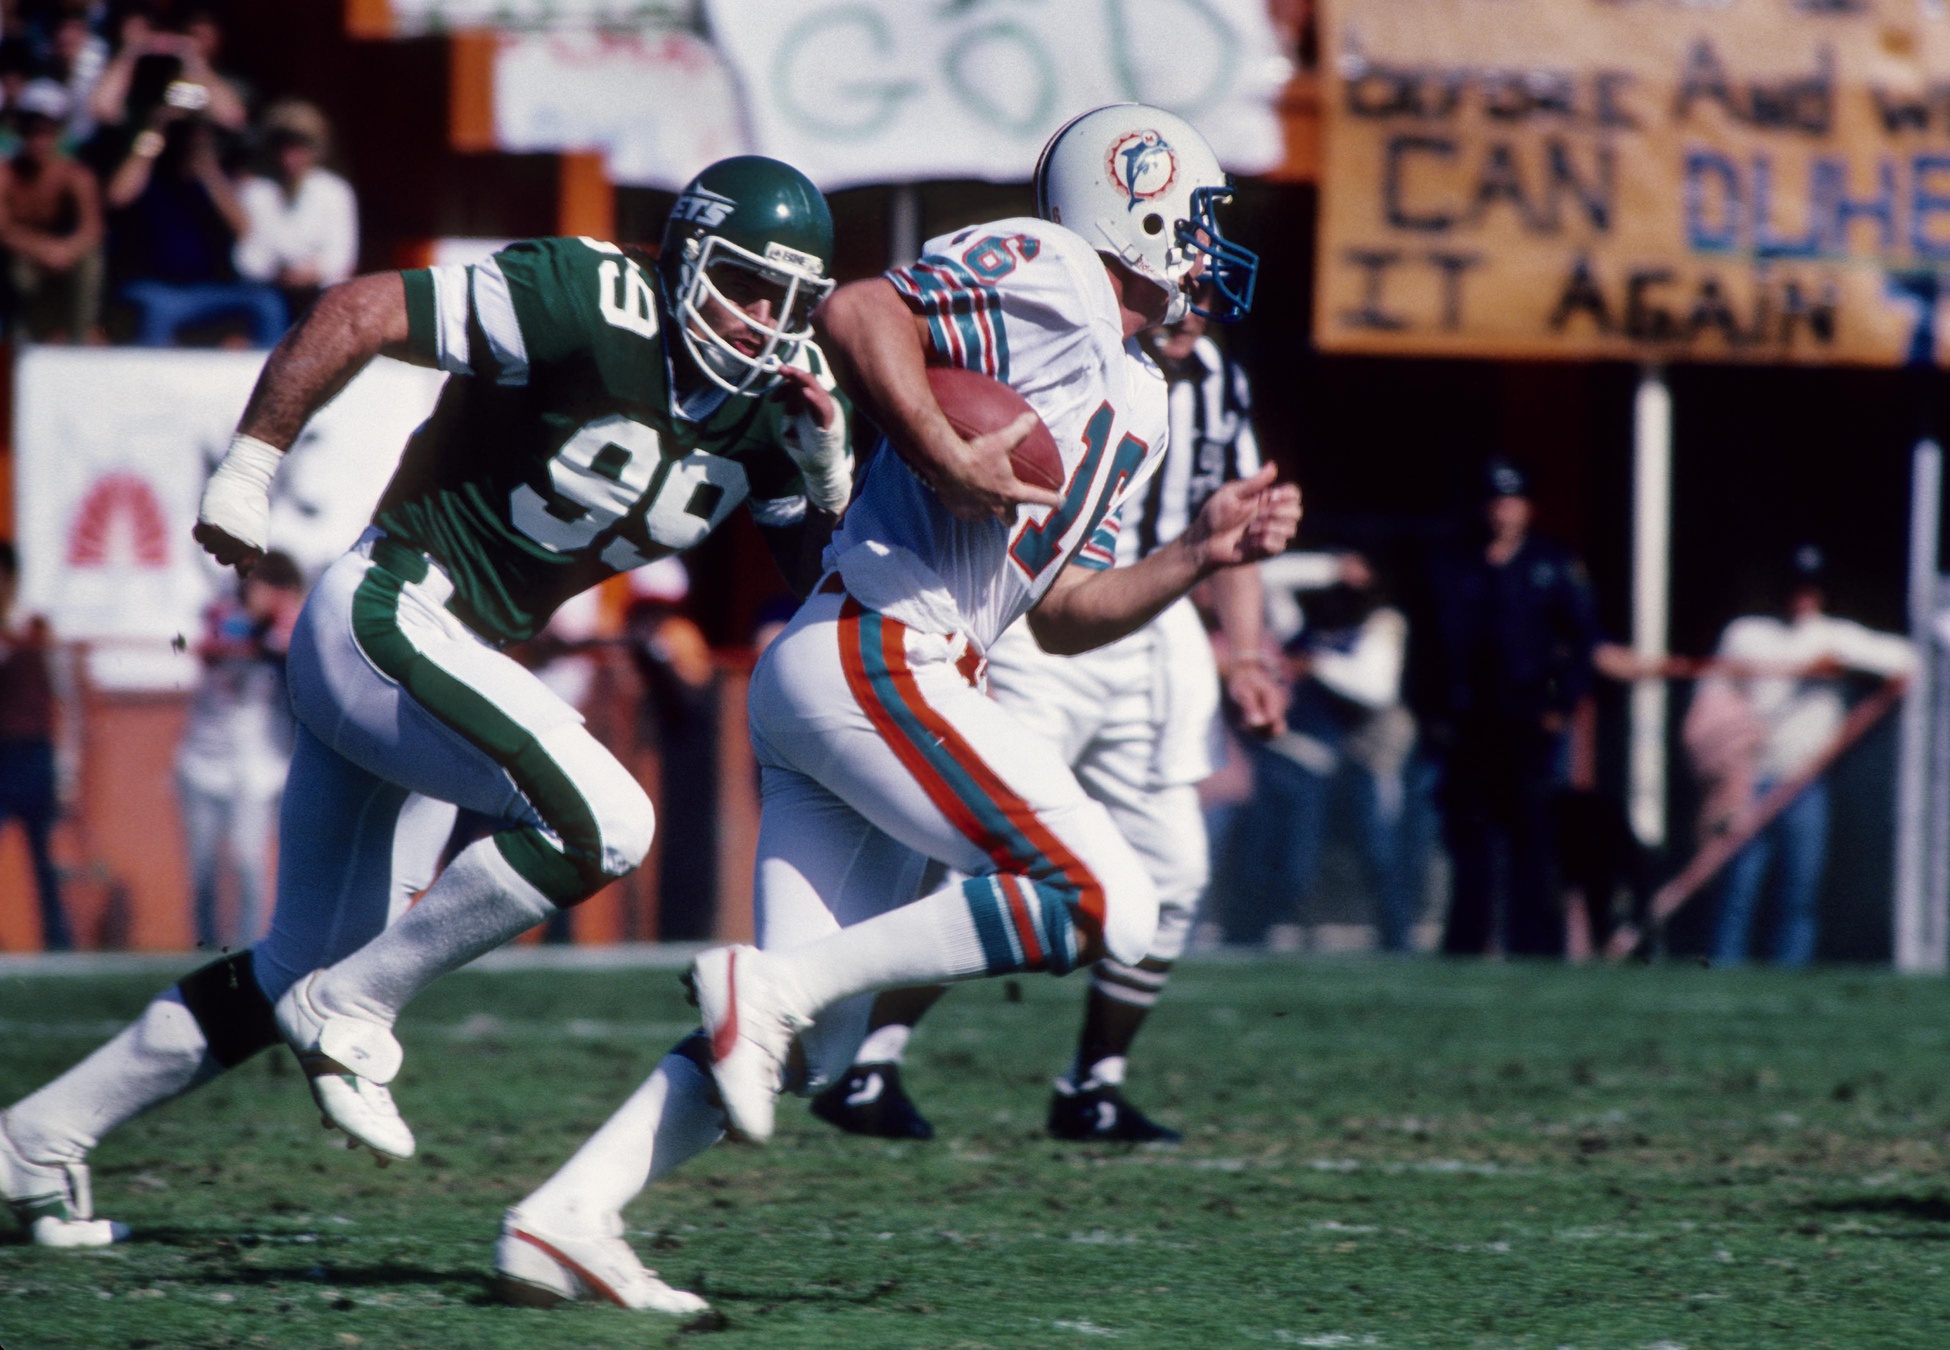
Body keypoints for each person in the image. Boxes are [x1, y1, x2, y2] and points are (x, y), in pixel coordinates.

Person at [495, 104, 1296, 1317]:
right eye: (1189, 218)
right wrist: (937, 445)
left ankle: (565, 1216)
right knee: (1105, 898)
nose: (1202, 245)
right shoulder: (1059, 267)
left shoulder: (1139, 393)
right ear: (1131, 203)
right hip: (875, 645)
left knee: (809, 1052)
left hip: (889, 668)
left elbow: (1063, 609)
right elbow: (859, 309)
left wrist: (1195, 551)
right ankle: (765, 991)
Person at [0, 155, 853, 1256]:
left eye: (791, 299)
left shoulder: (777, 400)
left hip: (446, 668)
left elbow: (809, 575)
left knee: (290, 967)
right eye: (744, 283)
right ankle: (353, 1010)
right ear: (687, 252)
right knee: (606, 822)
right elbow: (359, 310)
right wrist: (252, 465)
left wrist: (825, 481)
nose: (764, 320)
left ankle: (36, 1138)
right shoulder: (588, 298)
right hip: (390, 609)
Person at [807, 301, 1286, 1144]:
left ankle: (1093, 1085)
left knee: (1173, 872)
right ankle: (869, 1061)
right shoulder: (1070, 349)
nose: (1194, 308)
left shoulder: (1221, 385)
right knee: (991, 854)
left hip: (1155, 626)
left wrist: (1245, 654)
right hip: (1040, 609)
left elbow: (1233, 535)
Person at [1697, 545, 1915, 965]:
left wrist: (1841, 661)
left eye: (1811, 588)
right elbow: (1713, 697)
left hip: (1804, 782)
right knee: (1738, 887)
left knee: (1798, 892)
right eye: (1796, 586)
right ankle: (1721, 974)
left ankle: (1789, 977)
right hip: (1752, 778)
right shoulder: (1747, 634)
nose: (1802, 596)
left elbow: (1906, 659)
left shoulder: (1836, 637)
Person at [1422, 458, 1601, 958]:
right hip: (1468, 725)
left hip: (1527, 725)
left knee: (1532, 842)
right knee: (1469, 842)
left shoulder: (1551, 565)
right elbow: (1430, 649)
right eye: (1495, 502)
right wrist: (1432, 713)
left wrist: (1559, 706)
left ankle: (1534, 949)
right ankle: (1464, 946)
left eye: (1512, 501)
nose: (1503, 512)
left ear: (1528, 507)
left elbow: (1582, 643)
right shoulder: (1453, 565)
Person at [175, 549, 304, 951]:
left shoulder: (287, 627)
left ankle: (248, 951)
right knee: (204, 871)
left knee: (250, 865)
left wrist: (280, 622)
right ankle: (205, 952)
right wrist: (264, 627)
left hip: (257, 764)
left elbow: (287, 646)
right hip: (203, 760)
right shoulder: (224, 615)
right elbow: (220, 643)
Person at [105, 99, 283, 346]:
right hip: (154, 287)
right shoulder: (149, 175)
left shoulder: (214, 181)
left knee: (266, 303)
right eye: (186, 131)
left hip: (210, 289)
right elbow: (117, 197)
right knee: (158, 310)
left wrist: (207, 164)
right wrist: (155, 132)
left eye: (198, 130)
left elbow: (243, 228)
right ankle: (149, 382)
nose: (190, 137)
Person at [0, 539, 71, 954]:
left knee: (45, 860)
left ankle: (58, 945)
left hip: (35, 753)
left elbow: (60, 696)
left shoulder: (37, 628)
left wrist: (66, 766)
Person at [233, 100, 357, 321]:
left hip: (321, 293)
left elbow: (341, 257)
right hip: (269, 292)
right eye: (284, 146)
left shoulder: (335, 191)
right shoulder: (256, 192)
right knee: (267, 306)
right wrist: (277, 273)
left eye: (300, 146)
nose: (290, 156)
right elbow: (247, 258)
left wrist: (311, 272)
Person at [0, 79, 103, 342]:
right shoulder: (5, 175)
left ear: (58, 133)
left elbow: (92, 229)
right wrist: (43, 249)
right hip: (21, 258)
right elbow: (3, 230)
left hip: (61, 257)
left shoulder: (74, 175)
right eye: (33, 132)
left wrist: (65, 250)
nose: (39, 141)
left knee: (90, 262)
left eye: (46, 132)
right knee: (15, 273)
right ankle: (15, 343)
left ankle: (79, 341)